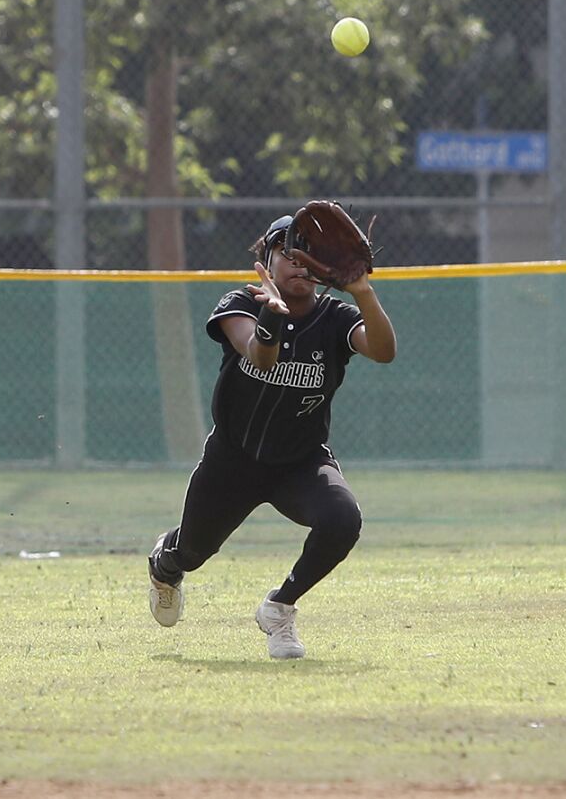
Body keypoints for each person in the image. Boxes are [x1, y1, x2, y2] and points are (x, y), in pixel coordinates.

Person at [147, 211, 398, 659]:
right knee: (192, 552)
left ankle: (280, 607)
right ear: (267, 258)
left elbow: (384, 351)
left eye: (311, 255)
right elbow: (259, 357)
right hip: (232, 461)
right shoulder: (240, 303)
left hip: (300, 463)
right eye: (288, 252)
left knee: (343, 519)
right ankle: (165, 564)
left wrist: (363, 291)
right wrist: (271, 317)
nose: (300, 263)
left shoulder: (336, 318)